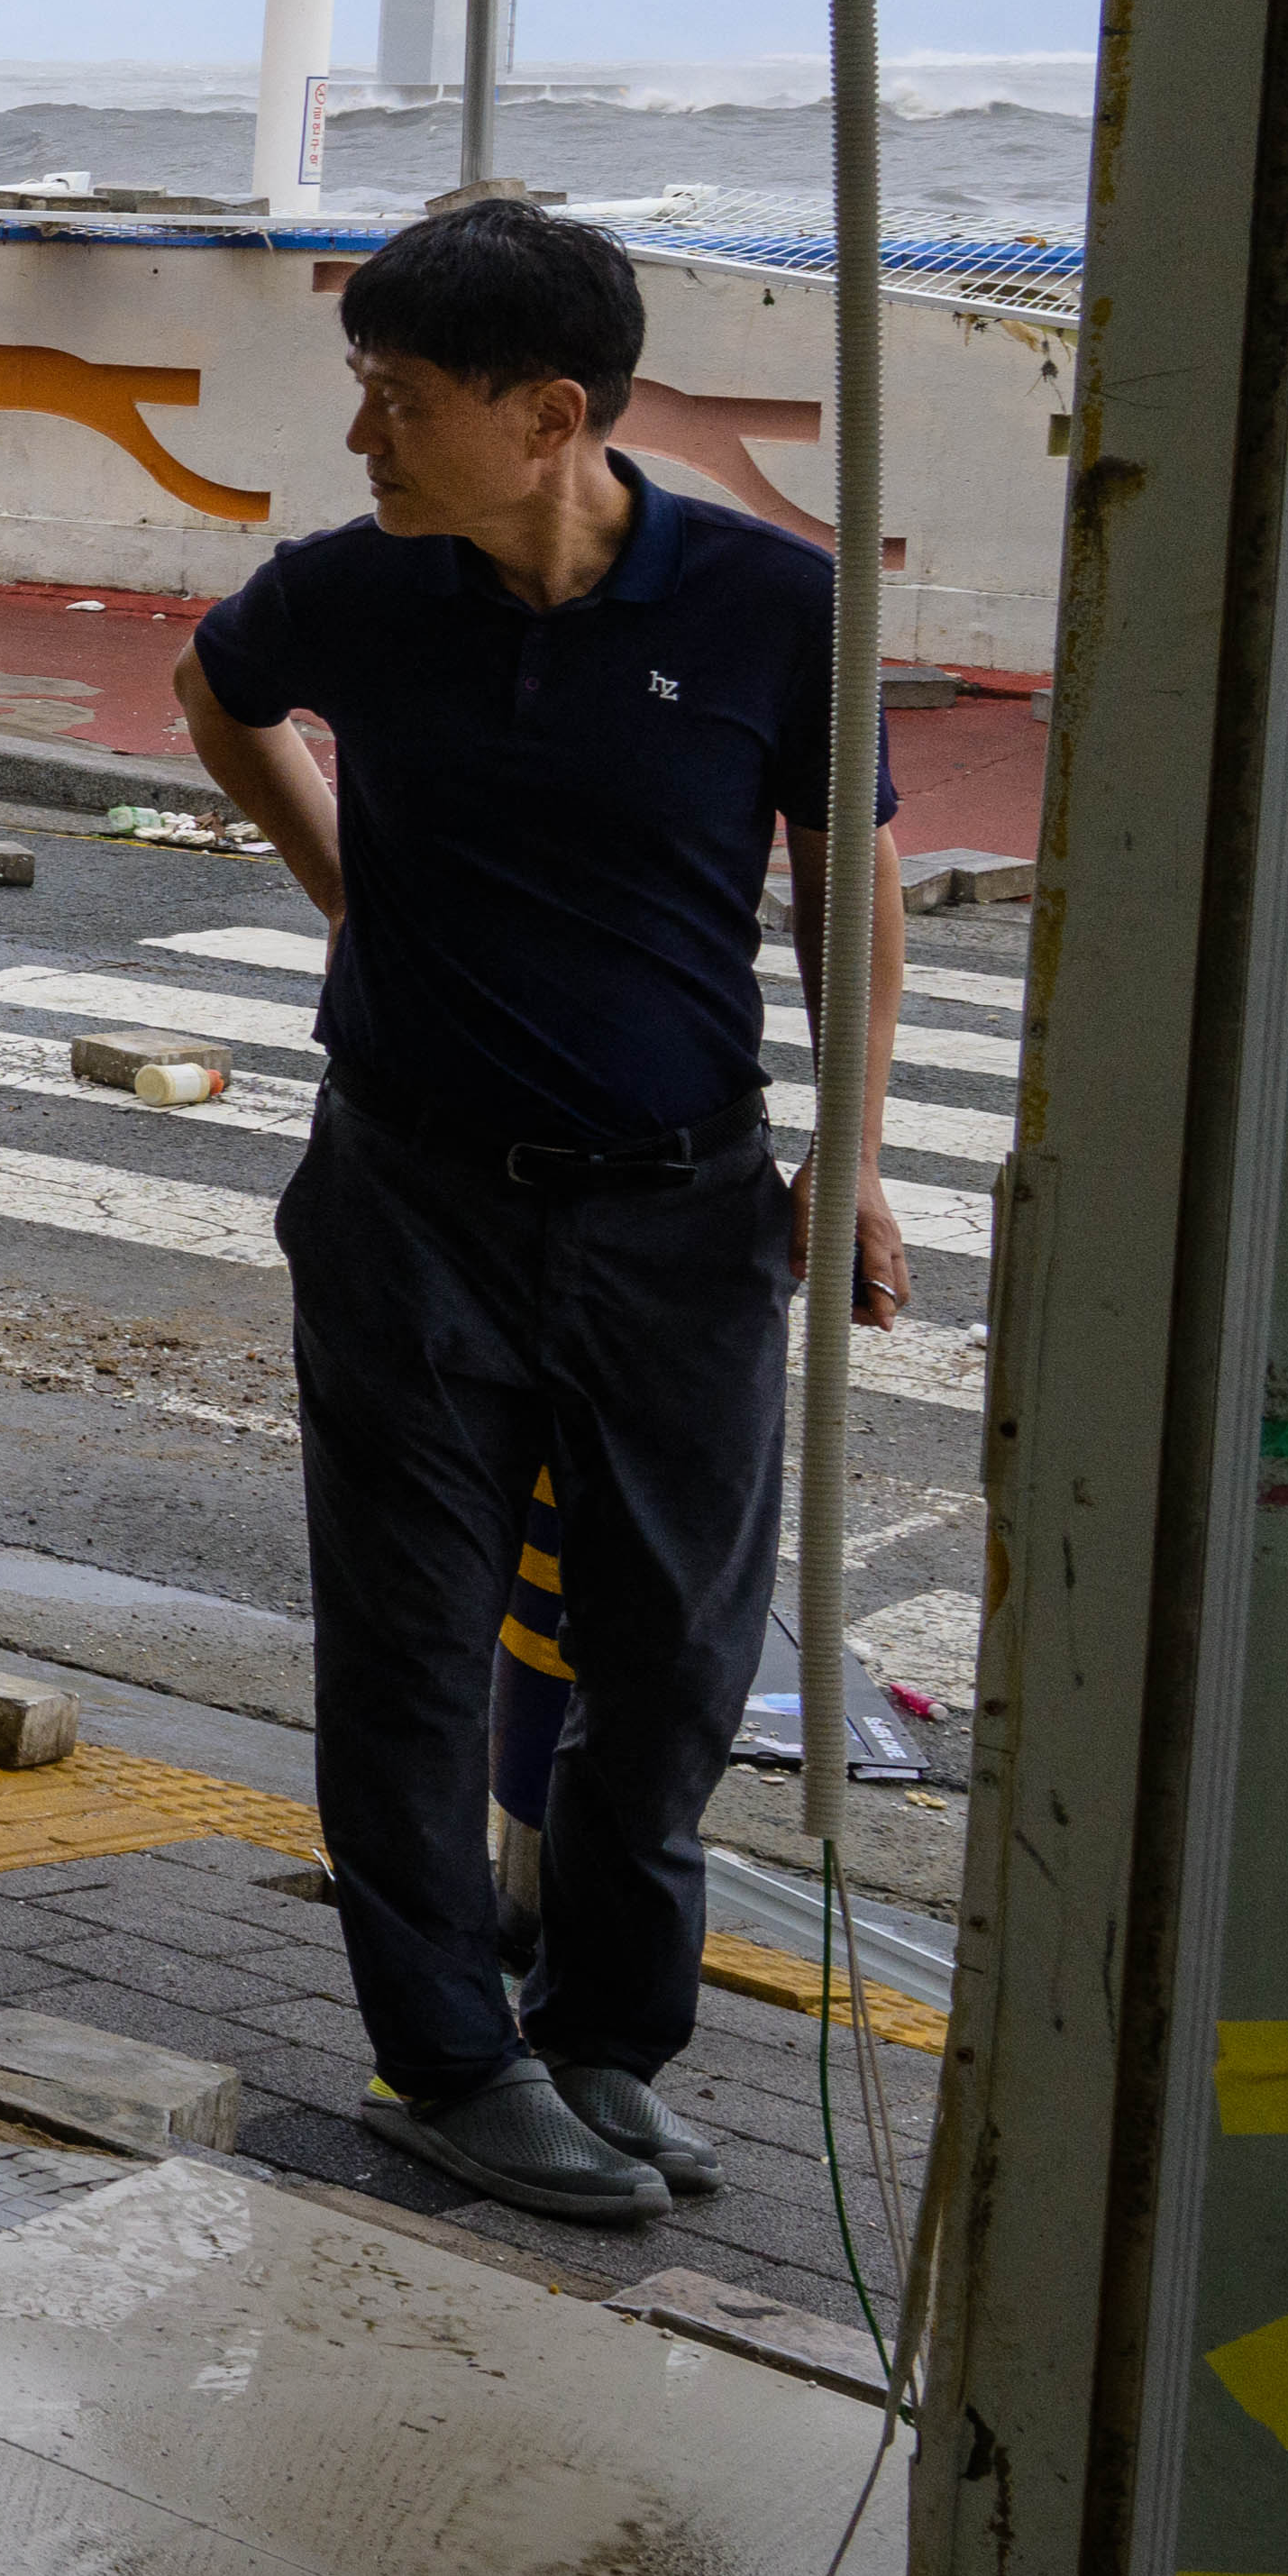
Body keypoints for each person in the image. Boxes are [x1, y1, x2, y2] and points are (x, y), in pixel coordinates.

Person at [172, 195, 900, 2230]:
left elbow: (850, 896)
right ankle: (447, 2059)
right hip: (407, 1199)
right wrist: (349, 891)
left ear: (550, 411)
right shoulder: (353, 591)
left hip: (679, 1220)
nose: (361, 441)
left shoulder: (769, 607)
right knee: (409, 1651)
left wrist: (840, 1169)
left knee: (670, 1656)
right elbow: (211, 692)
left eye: (396, 403)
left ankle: (602, 2043)